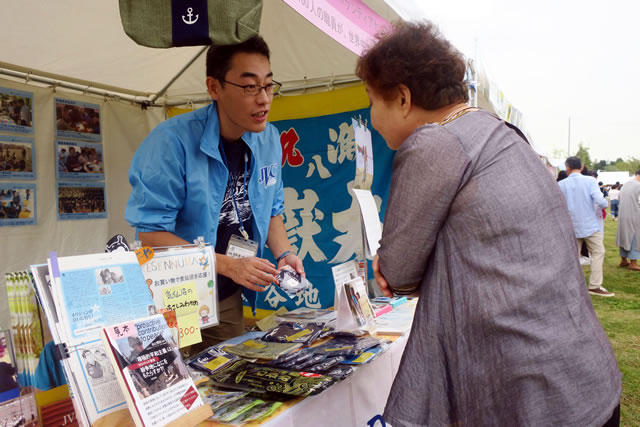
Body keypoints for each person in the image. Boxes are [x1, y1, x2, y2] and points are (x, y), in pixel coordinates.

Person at [360, 21, 621, 426]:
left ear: (403, 98)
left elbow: (397, 272)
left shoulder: (434, 142)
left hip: (532, 397)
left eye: (372, 101)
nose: (372, 117)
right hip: (584, 378)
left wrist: (401, 264)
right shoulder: (501, 133)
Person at [125, 35, 303, 354]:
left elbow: (272, 209)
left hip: (225, 295)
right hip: (177, 296)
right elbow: (150, 235)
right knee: (183, 377)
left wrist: (284, 254)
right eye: (249, 87)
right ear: (214, 87)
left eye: (268, 85)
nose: (264, 99)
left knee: (230, 371)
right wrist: (226, 264)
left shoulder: (268, 140)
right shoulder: (171, 142)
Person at [559, 156, 613, 296]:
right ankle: (595, 285)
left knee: (571, 257)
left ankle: (569, 285)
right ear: (582, 167)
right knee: (598, 252)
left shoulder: (561, 184)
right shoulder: (590, 181)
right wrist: (605, 204)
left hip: (570, 225)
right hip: (590, 225)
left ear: (567, 167)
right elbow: (601, 201)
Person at [616, 170, 640, 271]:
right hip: (634, 215)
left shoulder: (625, 184)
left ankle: (624, 260)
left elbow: (619, 198)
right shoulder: (638, 186)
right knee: (635, 238)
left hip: (623, 214)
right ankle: (633, 263)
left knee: (624, 236)